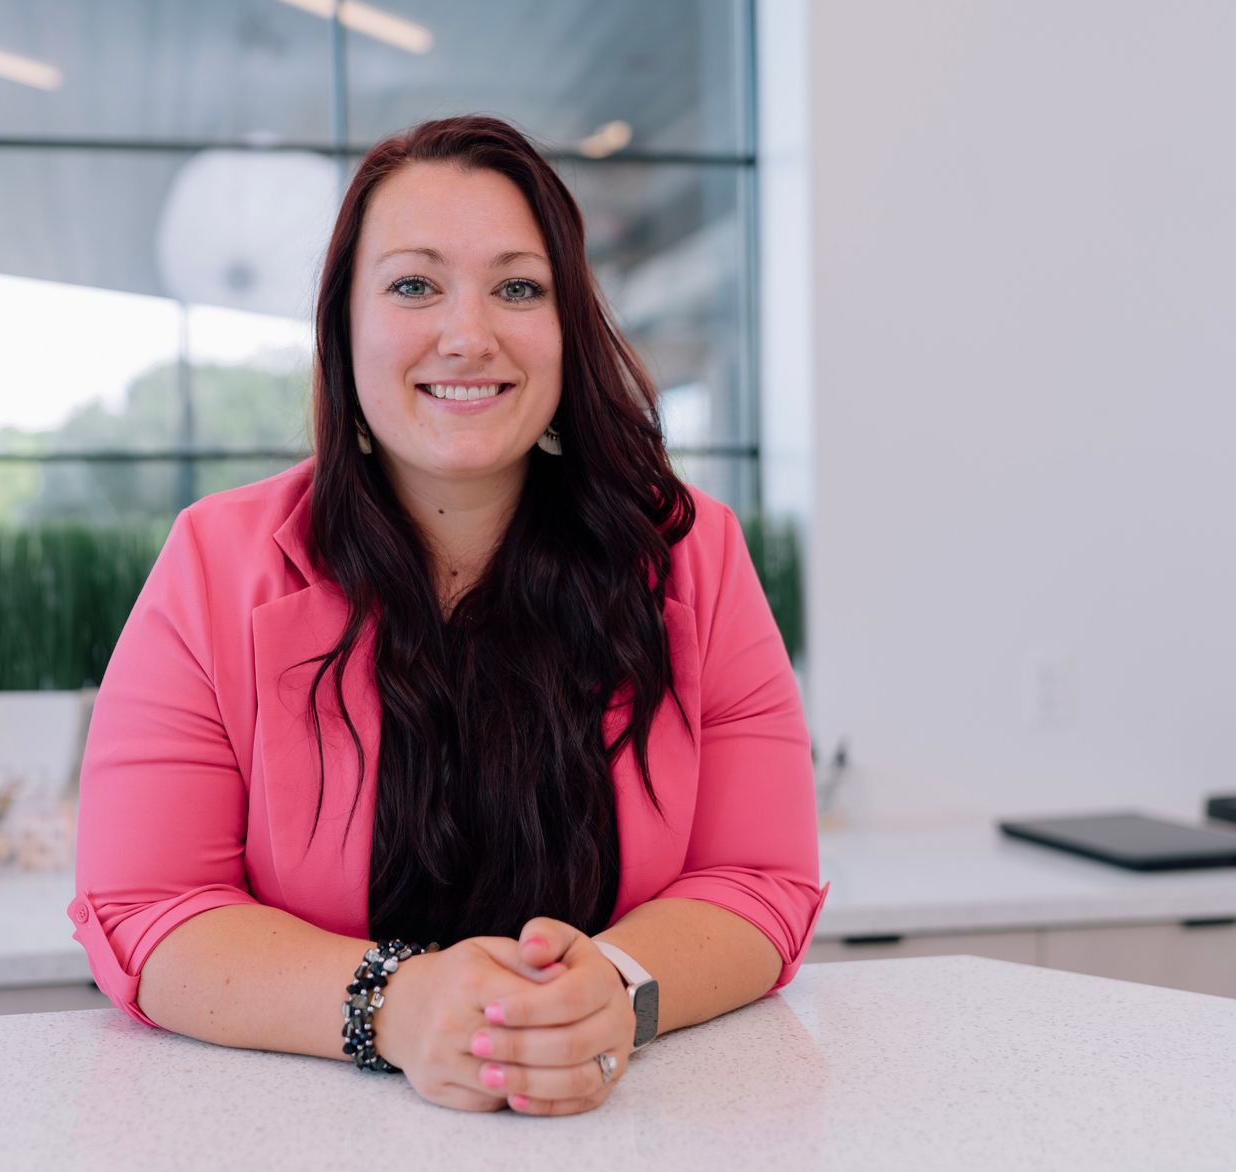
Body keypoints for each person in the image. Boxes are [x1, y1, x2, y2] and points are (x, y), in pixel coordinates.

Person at [68, 114, 829, 1117]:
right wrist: (390, 1005)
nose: (468, 334)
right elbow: (147, 908)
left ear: (569, 328)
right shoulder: (215, 566)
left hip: (630, 1144)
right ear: (344, 326)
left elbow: (759, 878)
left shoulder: (694, 557)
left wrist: (620, 992)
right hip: (302, 1157)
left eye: (519, 287)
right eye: (414, 285)